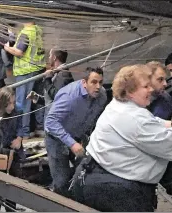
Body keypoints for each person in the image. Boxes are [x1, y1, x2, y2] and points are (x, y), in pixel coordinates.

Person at [72, 64, 172, 212]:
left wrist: (168, 124)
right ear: (130, 92)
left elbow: (152, 122)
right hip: (115, 190)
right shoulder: (133, 118)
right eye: (145, 87)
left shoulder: (120, 105)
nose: (151, 90)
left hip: (96, 177)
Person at [44, 67, 107, 198]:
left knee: (86, 175)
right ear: (84, 82)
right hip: (57, 139)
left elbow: (95, 119)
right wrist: (71, 143)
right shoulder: (70, 96)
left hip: (78, 136)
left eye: (100, 82)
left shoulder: (101, 96)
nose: (98, 86)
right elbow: (50, 122)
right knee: (61, 182)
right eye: (93, 82)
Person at [4, 22, 46, 139]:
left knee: (23, 102)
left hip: (26, 72)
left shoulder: (26, 33)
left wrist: (7, 47)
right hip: (38, 69)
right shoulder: (37, 30)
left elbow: (19, 52)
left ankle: (24, 132)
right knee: (37, 100)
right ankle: (40, 128)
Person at [146, 61, 172, 196]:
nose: (165, 84)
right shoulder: (133, 100)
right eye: (160, 79)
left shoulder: (166, 100)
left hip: (160, 158)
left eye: (165, 79)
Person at [27, 48, 74, 116]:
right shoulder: (57, 73)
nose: (48, 58)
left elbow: (57, 96)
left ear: (54, 58)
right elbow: (51, 99)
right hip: (51, 115)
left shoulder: (63, 74)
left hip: (56, 116)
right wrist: (37, 98)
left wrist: (47, 79)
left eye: (50, 55)